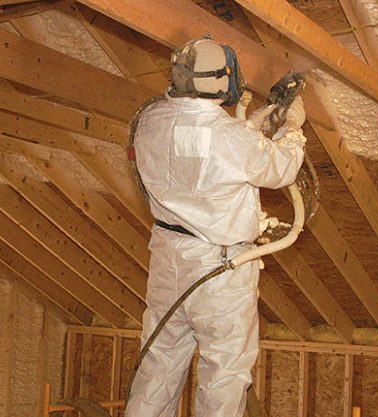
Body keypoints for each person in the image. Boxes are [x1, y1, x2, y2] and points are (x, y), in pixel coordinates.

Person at [126, 36, 306, 417]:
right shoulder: (228, 137)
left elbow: (207, 148)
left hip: (169, 262)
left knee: (159, 364)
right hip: (220, 273)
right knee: (224, 374)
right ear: (221, 80)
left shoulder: (149, 119)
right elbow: (281, 167)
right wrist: (293, 127)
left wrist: (255, 125)